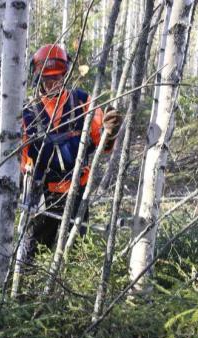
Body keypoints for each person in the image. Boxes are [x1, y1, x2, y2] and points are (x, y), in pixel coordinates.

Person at [20, 44, 122, 258]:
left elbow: (101, 143)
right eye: (47, 79)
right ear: (37, 78)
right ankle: (25, 291)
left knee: (74, 256)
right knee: (31, 257)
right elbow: (21, 161)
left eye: (57, 78)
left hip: (76, 192)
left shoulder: (82, 102)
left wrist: (109, 133)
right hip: (43, 196)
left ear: (65, 75)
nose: (53, 84)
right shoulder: (28, 114)